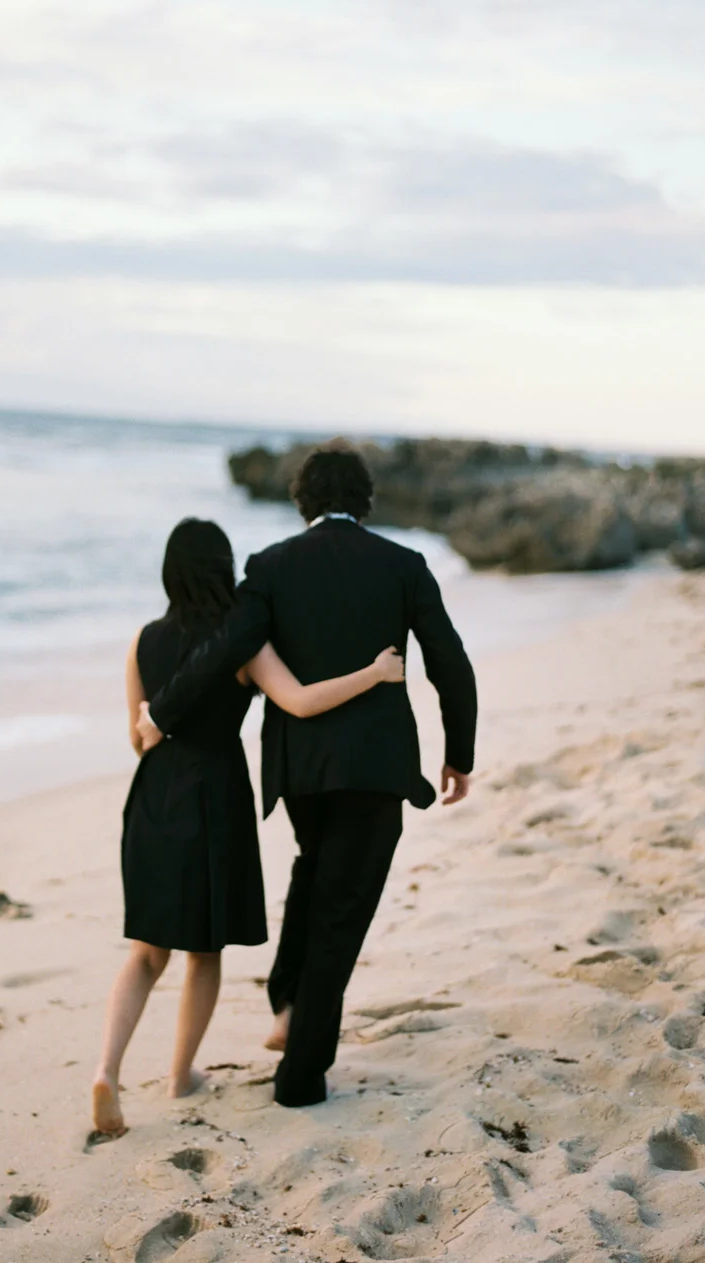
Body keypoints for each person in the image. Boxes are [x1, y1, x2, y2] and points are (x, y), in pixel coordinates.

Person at [138, 442, 477, 1108]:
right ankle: (300, 1075)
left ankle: (288, 1002)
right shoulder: (403, 564)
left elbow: (226, 648)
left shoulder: (271, 565)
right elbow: (450, 662)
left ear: (303, 501)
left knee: (316, 866)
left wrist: (162, 713)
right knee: (342, 909)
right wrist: (458, 753)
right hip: (375, 767)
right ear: (365, 501)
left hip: (300, 769)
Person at [92, 516, 405, 1136]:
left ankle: (107, 1069)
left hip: (154, 797)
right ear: (223, 568)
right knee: (202, 952)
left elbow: (138, 738)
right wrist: (373, 674)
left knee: (144, 953)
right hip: (215, 797)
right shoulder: (241, 645)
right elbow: (301, 699)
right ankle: (180, 1075)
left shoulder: (141, 641)